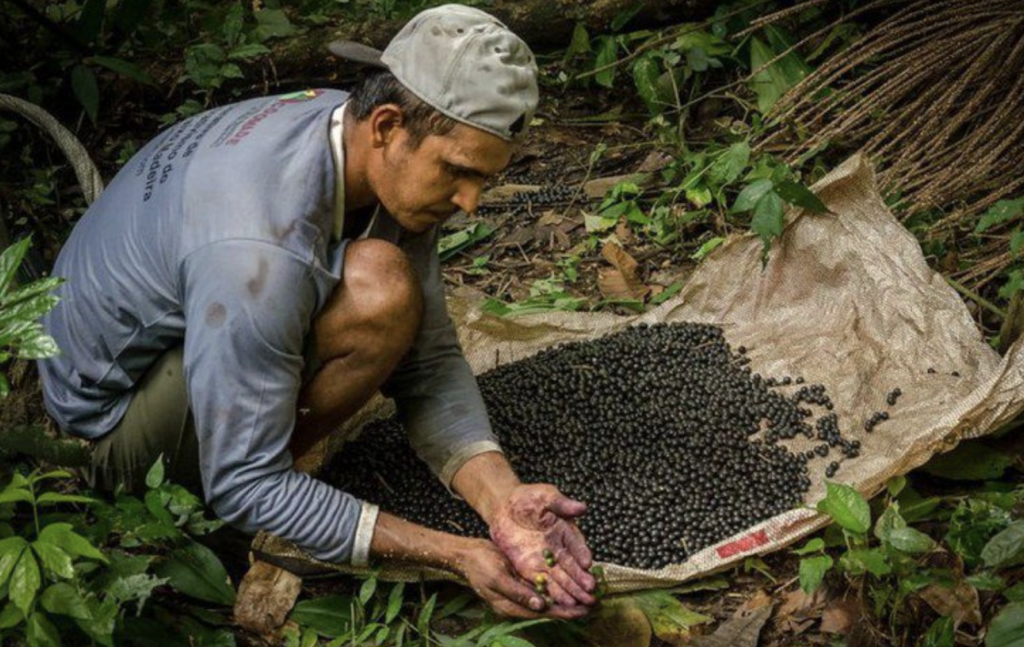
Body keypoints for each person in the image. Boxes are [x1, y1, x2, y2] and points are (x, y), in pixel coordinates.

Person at [38, 4, 597, 619]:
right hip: (111, 426)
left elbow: (429, 360)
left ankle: (272, 450)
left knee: (387, 279)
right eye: (459, 173)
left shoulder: (369, 139)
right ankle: (211, 510)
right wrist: (455, 554)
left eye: (485, 179)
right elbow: (243, 481)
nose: (470, 202)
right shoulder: (256, 247)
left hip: (214, 312)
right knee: (378, 289)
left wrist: (503, 503)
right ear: (387, 126)